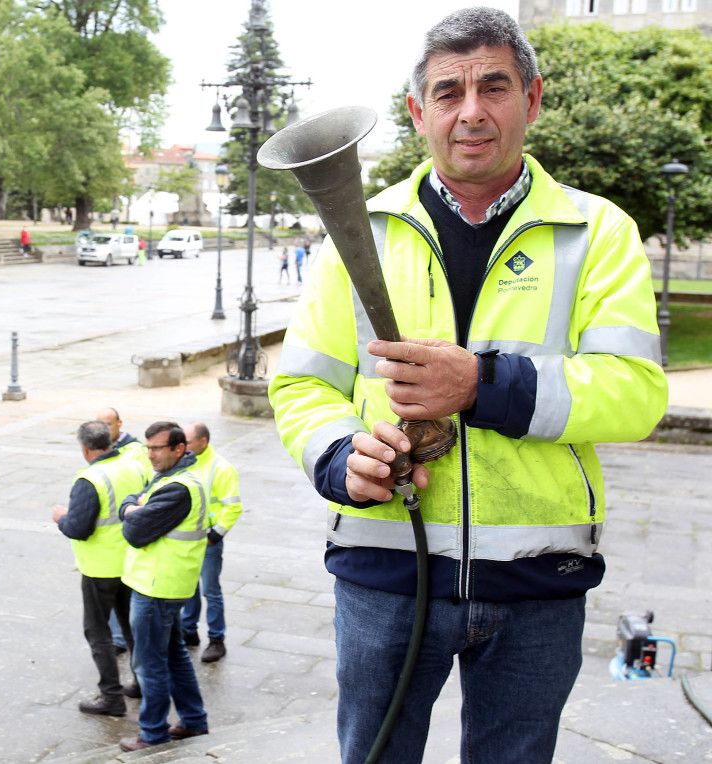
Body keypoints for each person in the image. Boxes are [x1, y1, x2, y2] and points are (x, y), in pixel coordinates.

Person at [268, 8, 667, 763]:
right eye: (448, 93)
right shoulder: (367, 228)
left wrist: (479, 385)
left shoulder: (600, 230)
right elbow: (300, 386)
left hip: (538, 582)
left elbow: (635, 393)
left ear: (534, 99)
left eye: (495, 86)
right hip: (386, 576)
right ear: (419, 113)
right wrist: (340, 456)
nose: (472, 112)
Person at [117, 421, 210, 752]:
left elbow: (134, 532)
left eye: (157, 448)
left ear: (179, 449)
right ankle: (194, 720)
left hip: (156, 587)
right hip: (166, 585)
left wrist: (132, 511)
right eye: (148, 447)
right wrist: (133, 507)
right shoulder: (171, 478)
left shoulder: (177, 488)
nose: (150, 454)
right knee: (174, 656)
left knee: (149, 662)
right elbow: (131, 501)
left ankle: (152, 732)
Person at [52, 421, 149, 716]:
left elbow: (78, 528)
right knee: (131, 628)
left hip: (99, 567)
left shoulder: (89, 479)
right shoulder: (135, 466)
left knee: (98, 632)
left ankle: (111, 696)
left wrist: (61, 517)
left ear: (85, 448)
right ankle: (142, 682)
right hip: (131, 561)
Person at [179, 423, 243, 664]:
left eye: (188, 441)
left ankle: (217, 639)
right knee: (189, 587)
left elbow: (233, 506)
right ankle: (189, 631)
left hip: (208, 540)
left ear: (203, 441)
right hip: (187, 538)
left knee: (210, 590)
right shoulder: (186, 462)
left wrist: (215, 535)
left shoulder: (221, 468)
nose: (184, 446)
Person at [95, 406, 152, 651]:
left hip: (129, 524)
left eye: (107, 424)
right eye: (98, 424)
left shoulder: (136, 451)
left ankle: (124, 638)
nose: (103, 429)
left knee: (125, 590)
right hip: (109, 533)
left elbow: (147, 482)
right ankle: (118, 638)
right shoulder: (101, 449)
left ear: (119, 423)